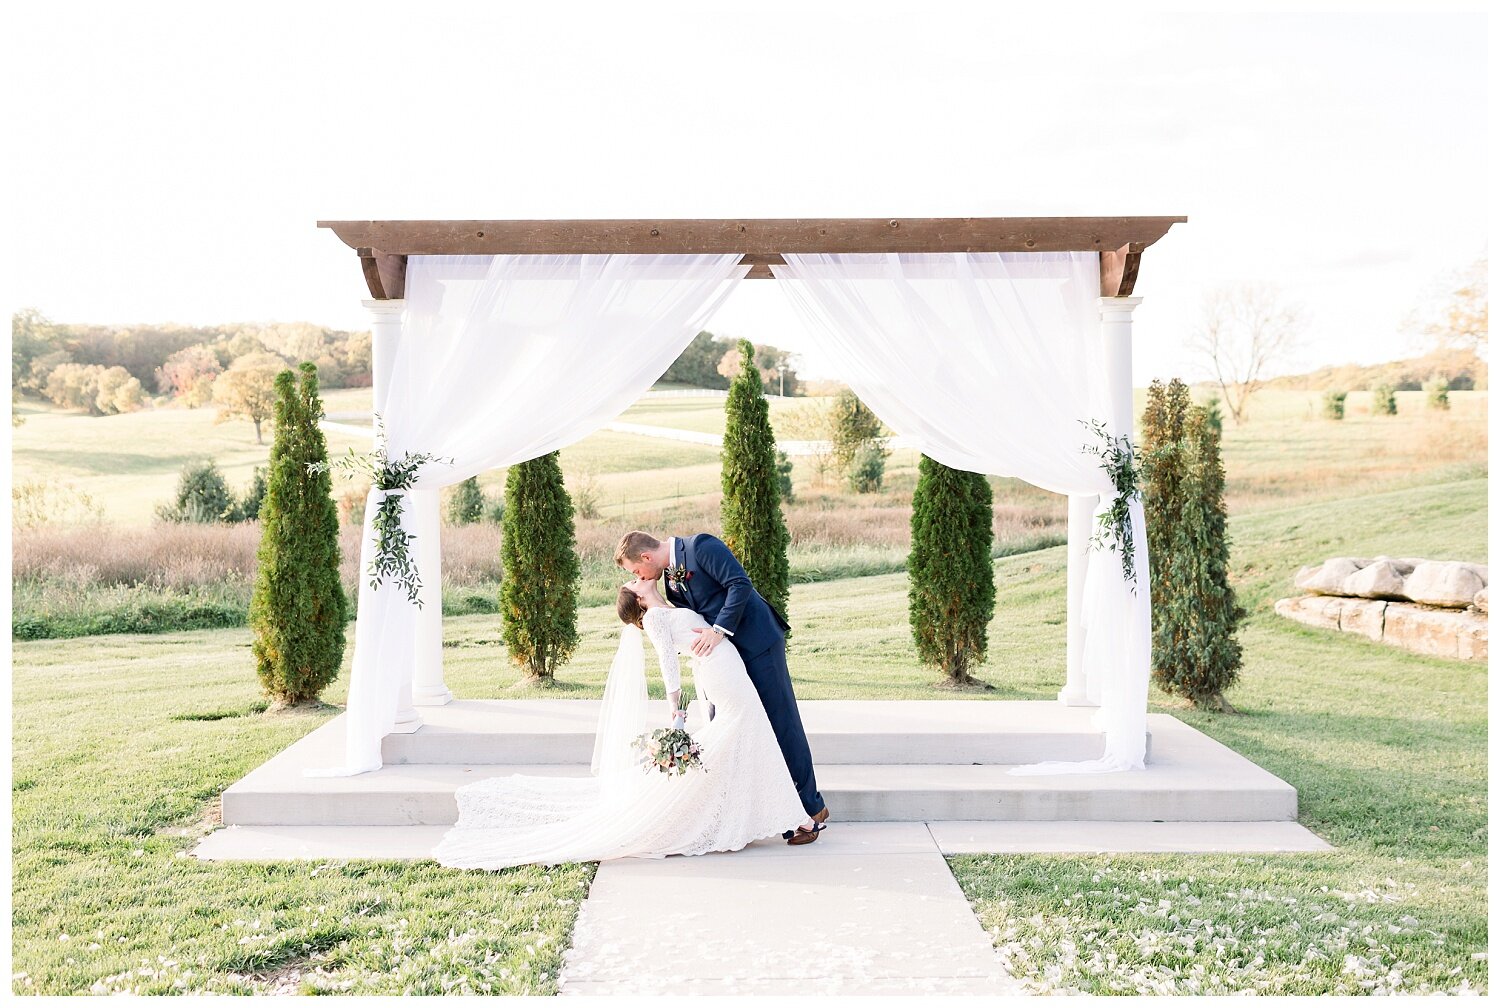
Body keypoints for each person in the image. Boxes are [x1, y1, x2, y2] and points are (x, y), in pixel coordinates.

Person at [432, 578, 809, 869]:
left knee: (743, 735)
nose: (636, 577)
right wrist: (676, 711)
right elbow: (667, 661)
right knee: (746, 730)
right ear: (639, 600)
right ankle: (790, 819)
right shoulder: (657, 618)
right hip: (720, 672)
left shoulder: (670, 604)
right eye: (632, 582)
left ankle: (756, 815)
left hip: (721, 666)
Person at [616, 530, 829, 844]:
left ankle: (812, 810)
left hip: (757, 643)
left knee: (781, 724)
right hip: (725, 663)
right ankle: (768, 813)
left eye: (635, 571)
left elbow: (739, 584)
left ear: (645, 558)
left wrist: (718, 631)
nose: (639, 576)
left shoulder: (701, 546)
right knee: (743, 732)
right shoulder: (670, 586)